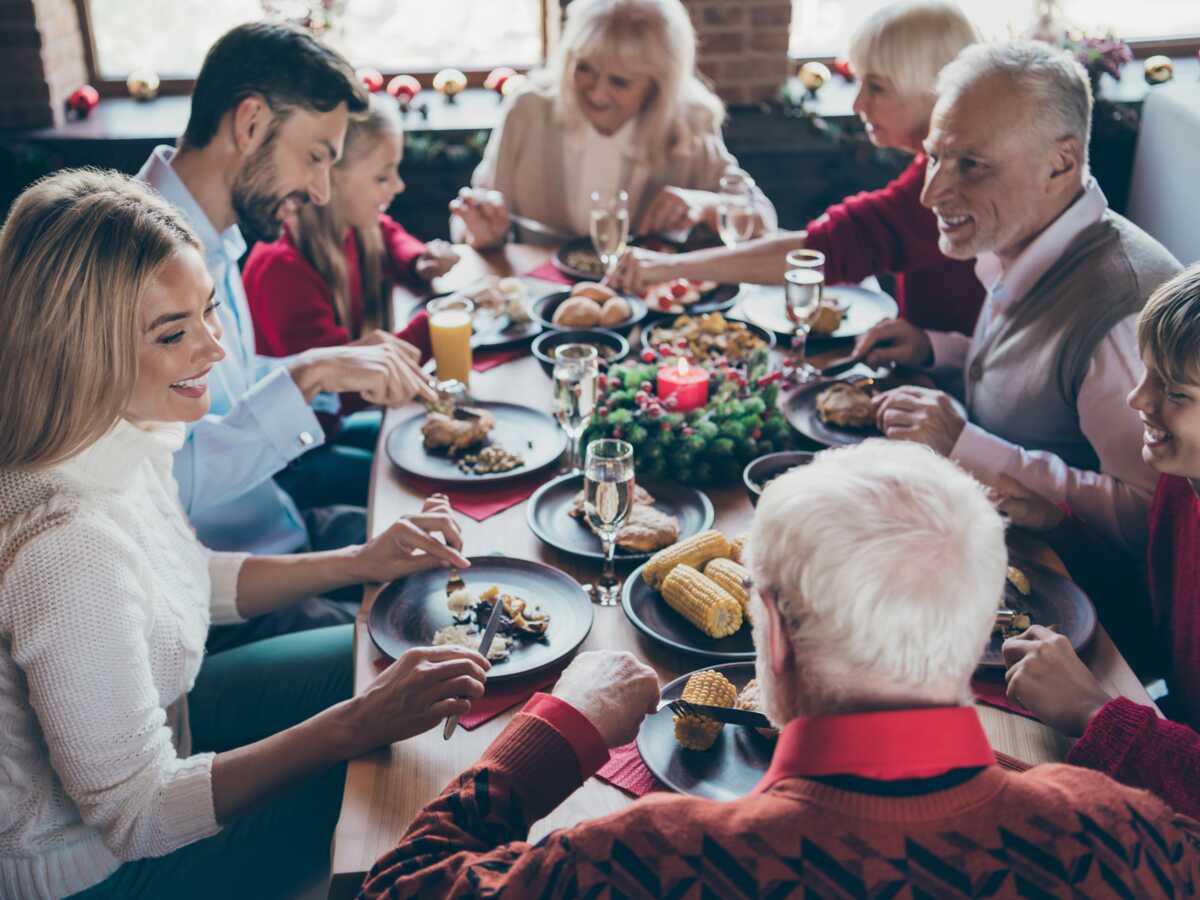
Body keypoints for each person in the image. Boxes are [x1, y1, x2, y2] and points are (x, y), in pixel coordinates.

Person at [359, 440, 1200, 898]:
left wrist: (560, 726)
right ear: (980, 622)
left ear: (773, 635)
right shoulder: (1136, 840)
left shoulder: (638, 862)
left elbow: (399, 888)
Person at [0, 170, 490, 900]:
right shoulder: (65, 546)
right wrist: (357, 723)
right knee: (401, 801)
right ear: (78, 348)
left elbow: (188, 578)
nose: (214, 350)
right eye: (174, 332)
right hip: (97, 867)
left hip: (176, 723)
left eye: (208, 313)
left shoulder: (118, 432)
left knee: (392, 648)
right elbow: (136, 814)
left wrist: (362, 559)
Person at [854, 40, 1179, 553]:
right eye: (935, 157)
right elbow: (1042, 386)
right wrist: (938, 350)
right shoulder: (1028, 235)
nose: (931, 192)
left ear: (1060, 164)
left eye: (971, 164)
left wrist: (964, 445)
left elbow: (1150, 517)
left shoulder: (1122, 318)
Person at [609, 0, 985, 335]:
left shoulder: (944, 189)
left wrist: (667, 267)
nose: (857, 104)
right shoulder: (935, 168)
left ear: (932, 90)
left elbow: (820, 252)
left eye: (877, 88)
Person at [998, 265, 1200, 820]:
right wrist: (1062, 532)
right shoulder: (1185, 486)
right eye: (1146, 373)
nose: (1138, 399)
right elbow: (1162, 626)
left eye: (1174, 391)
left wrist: (1094, 711)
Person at [243, 94, 459, 509]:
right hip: (289, 462)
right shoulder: (283, 268)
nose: (398, 186)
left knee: (433, 445)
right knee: (430, 478)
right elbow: (344, 390)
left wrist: (419, 261)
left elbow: (391, 234)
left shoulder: (354, 228)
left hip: (327, 430)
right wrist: (437, 322)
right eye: (383, 176)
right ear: (333, 177)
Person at [449, 0, 776, 249]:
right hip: (540, 308)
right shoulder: (529, 108)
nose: (596, 92)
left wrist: (706, 205)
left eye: (619, 81)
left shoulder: (690, 120)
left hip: (650, 313)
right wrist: (480, 231)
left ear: (656, 85)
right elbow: (469, 222)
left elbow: (763, 219)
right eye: (585, 68)